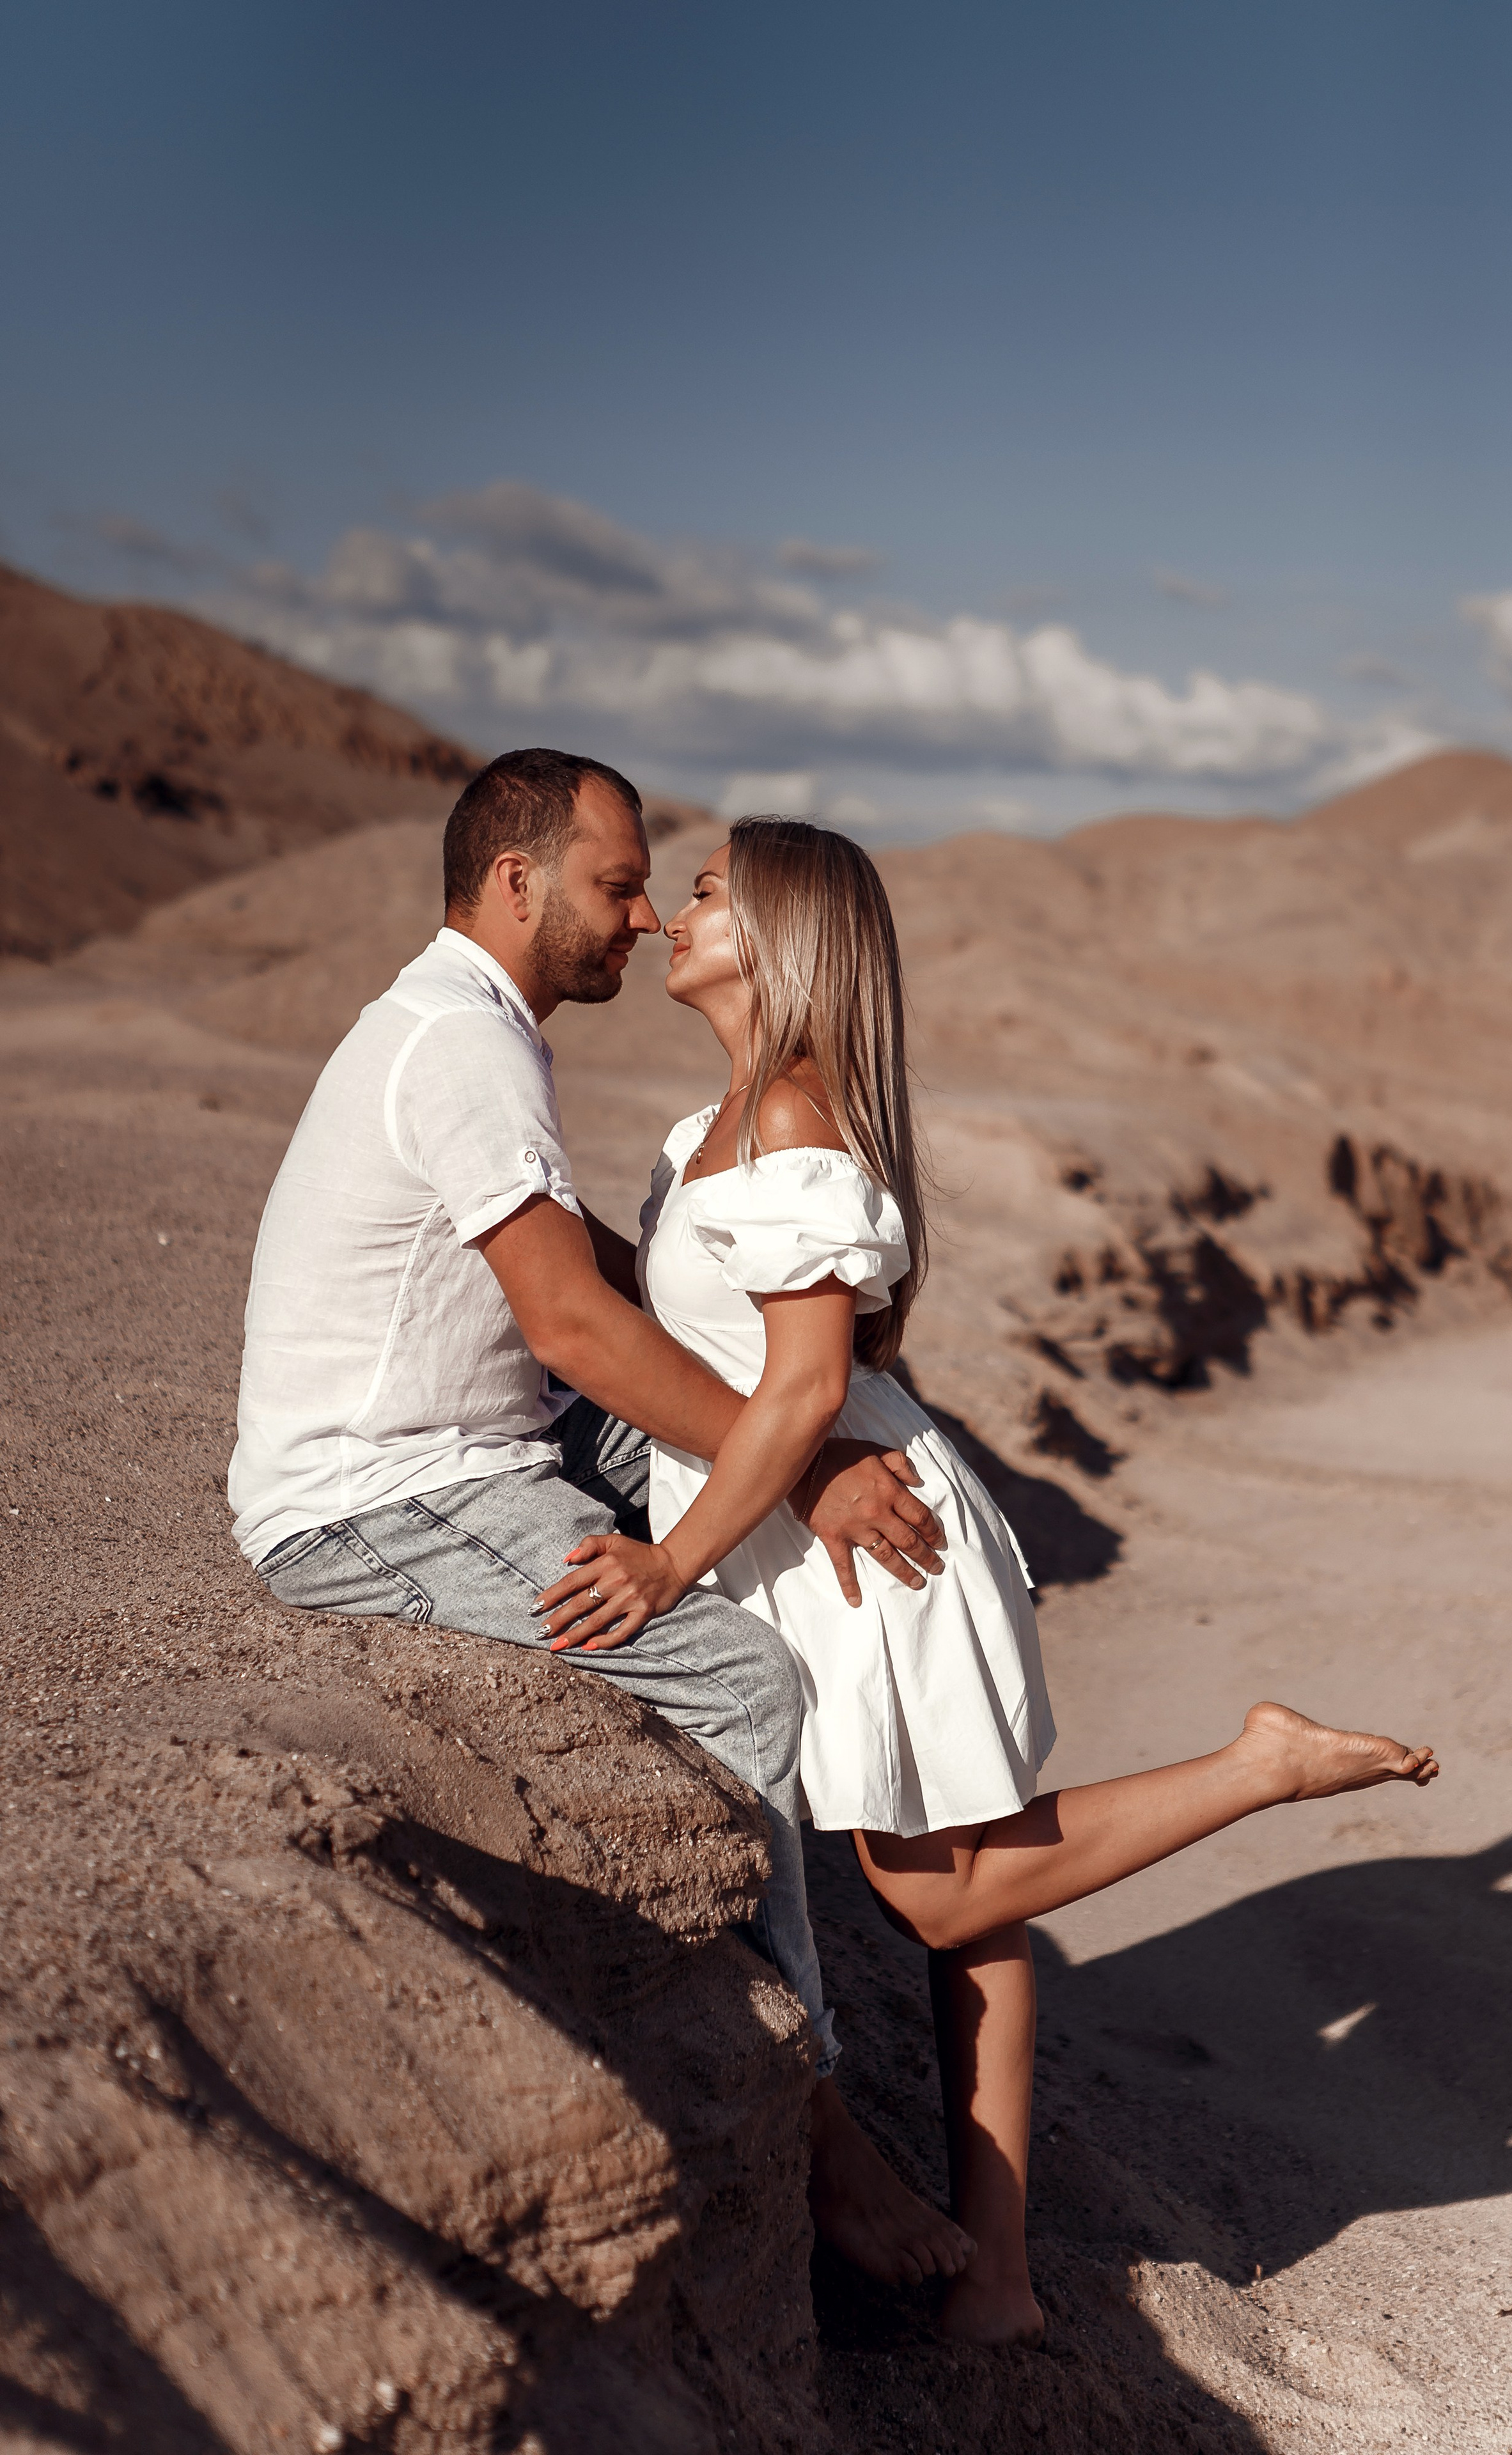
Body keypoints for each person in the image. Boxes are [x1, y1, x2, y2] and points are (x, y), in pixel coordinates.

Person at [530, 816, 1441, 2348]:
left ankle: (1257, 1764)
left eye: (702, 896)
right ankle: (1002, 2277)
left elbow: (806, 1391)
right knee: (977, 1876)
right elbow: (699, 1332)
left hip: (860, 1535)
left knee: (935, 1884)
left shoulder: (799, 1133)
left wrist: (670, 1557)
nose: (668, 918)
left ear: (781, 939)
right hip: (800, 1524)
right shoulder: (715, 1129)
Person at [228, 748, 976, 2289]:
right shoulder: (457, 1044)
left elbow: (573, 1259)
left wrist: (769, 1416)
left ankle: (931, 1795)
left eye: (651, 891)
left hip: (483, 1436)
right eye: (617, 884)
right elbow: (566, 1323)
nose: (640, 918)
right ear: (519, 883)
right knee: (740, 1678)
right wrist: (815, 1459)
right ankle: (819, 2119)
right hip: (384, 1490)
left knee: (728, 1479)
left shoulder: (471, 1027)